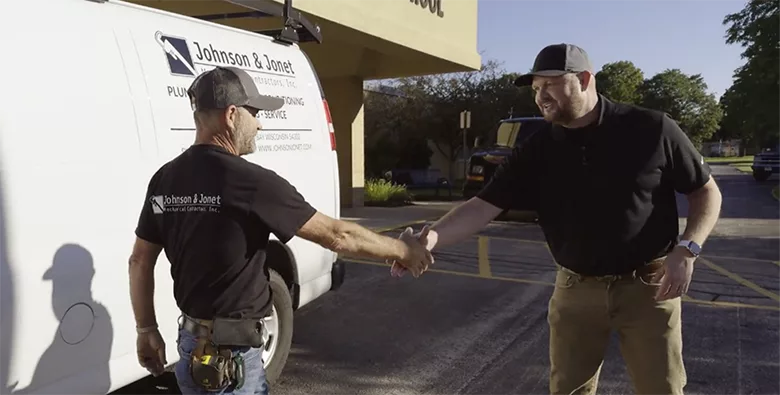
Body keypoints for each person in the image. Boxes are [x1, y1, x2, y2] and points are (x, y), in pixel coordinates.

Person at [391, 43, 722, 395]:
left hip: (648, 289)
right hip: (575, 290)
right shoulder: (537, 149)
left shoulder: (651, 128)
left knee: (662, 388)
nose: (540, 96)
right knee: (568, 390)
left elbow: (706, 192)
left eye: (549, 85)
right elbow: (482, 206)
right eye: (535, 89)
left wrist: (687, 250)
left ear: (583, 79)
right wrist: (431, 239)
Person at [127, 66, 433, 395]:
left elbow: (139, 262)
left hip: (190, 351)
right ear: (232, 115)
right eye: (254, 113)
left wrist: (146, 328)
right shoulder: (249, 182)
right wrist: (404, 250)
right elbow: (336, 235)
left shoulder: (165, 179)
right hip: (231, 362)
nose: (260, 123)